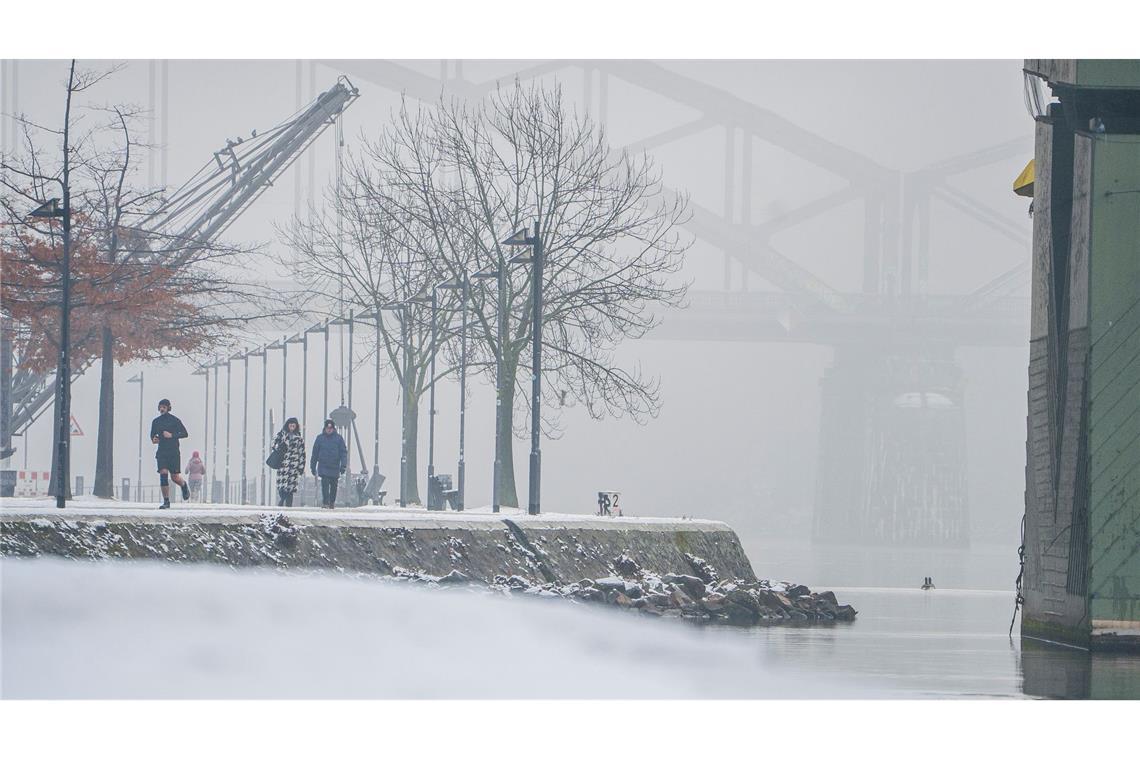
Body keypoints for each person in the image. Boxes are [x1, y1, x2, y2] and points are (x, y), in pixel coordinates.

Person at [149, 398, 190, 509]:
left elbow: (185, 433)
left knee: (175, 477)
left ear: (168, 408)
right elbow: (152, 435)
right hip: (162, 452)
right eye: (160, 407)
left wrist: (172, 435)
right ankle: (166, 501)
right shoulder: (156, 421)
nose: (162, 409)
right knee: (163, 474)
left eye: (164, 407)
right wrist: (154, 439)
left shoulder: (175, 420)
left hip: (173, 452)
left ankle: (184, 485)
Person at [310, 418, 347, 509]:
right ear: (325, 428)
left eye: (330, 428)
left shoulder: (339, 439)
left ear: (333, 429)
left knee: (334, 486)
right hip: (324, 466)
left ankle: (332, 502)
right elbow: (315, 453)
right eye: (327, 428)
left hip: (334, 466)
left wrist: (343, 465)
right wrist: (312, 466)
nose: (329, 430)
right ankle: (325, 502)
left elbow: (343, 452)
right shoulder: (320, 438)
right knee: (325, 485)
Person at [271, 417, 306, 507]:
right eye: (290, 425)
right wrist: (280, 445)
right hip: (282, 465)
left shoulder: (299, 439)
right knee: (282, 487)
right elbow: (273, 444)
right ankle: (282, 500)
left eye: (293, 425)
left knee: (290, 489)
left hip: (293, 467)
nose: (291, 427)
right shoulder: (281, 435)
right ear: (287, 425)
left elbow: (302, 454)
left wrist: (301, 467)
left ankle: (288, 505)